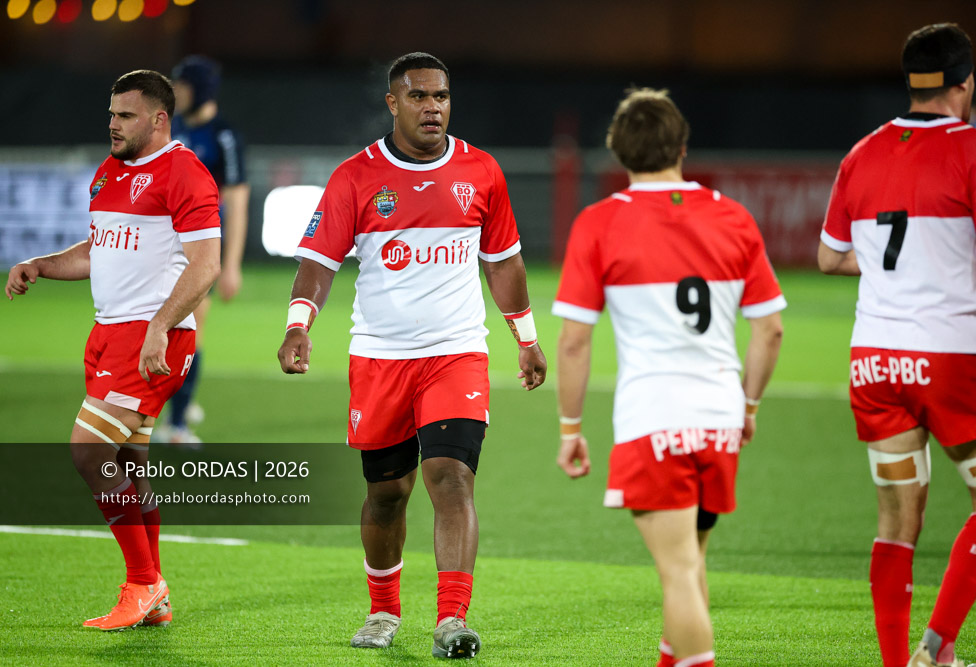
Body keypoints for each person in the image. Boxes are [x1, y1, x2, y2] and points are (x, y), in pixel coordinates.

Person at [276, 52, 546, 659]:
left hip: (456, 353)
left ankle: (452, 620)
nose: (433, 107)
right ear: (393, 103)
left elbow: (503, 261)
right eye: (419, 96)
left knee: (450, 478)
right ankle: (383, 611)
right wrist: (299, 325)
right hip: (379, 358)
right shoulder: (355, 176)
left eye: (442, 96)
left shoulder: (480, 171)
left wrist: (525, 337)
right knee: (387, 493)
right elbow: (318, 262)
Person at [553, 88, 785, 667]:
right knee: (690, 564)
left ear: (618, 153)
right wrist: (749, 408)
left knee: (678, 572)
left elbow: (575, 340)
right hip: (720, 417)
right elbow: (770, 330)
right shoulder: (733, 216)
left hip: (653, 417)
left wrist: (569, 427)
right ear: (683, 146)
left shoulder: (600, 223)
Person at [4, 70, 221, 630]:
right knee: (128, 461)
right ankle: (157, 594)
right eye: (111, 114)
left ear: (158, 119)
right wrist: (43, 266)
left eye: (125, 116)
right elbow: (99, 249)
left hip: (152, 337)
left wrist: (160, 326)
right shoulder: (109, 173)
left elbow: (206, 264)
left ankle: (143, 584)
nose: (113, 124)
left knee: (88, 451)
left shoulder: (185, 173)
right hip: (107, 334)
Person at [818, 23, 976, 667]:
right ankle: (937, 647)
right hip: (949, 359)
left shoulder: (861, 154)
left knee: (897, 523)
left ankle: (900, 664)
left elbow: (830, 256)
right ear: (966, 82)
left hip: (875, 361)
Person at [157, 55, 249, 445]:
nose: (176, 93)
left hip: (199, 251)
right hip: (161, 246)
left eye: (183, 86)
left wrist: (231, 266)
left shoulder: (224, 137)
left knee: (189, 330)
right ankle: (175, 402)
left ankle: (177, 424)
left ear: (202, 90)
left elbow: (238, 204)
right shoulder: (171, 128)